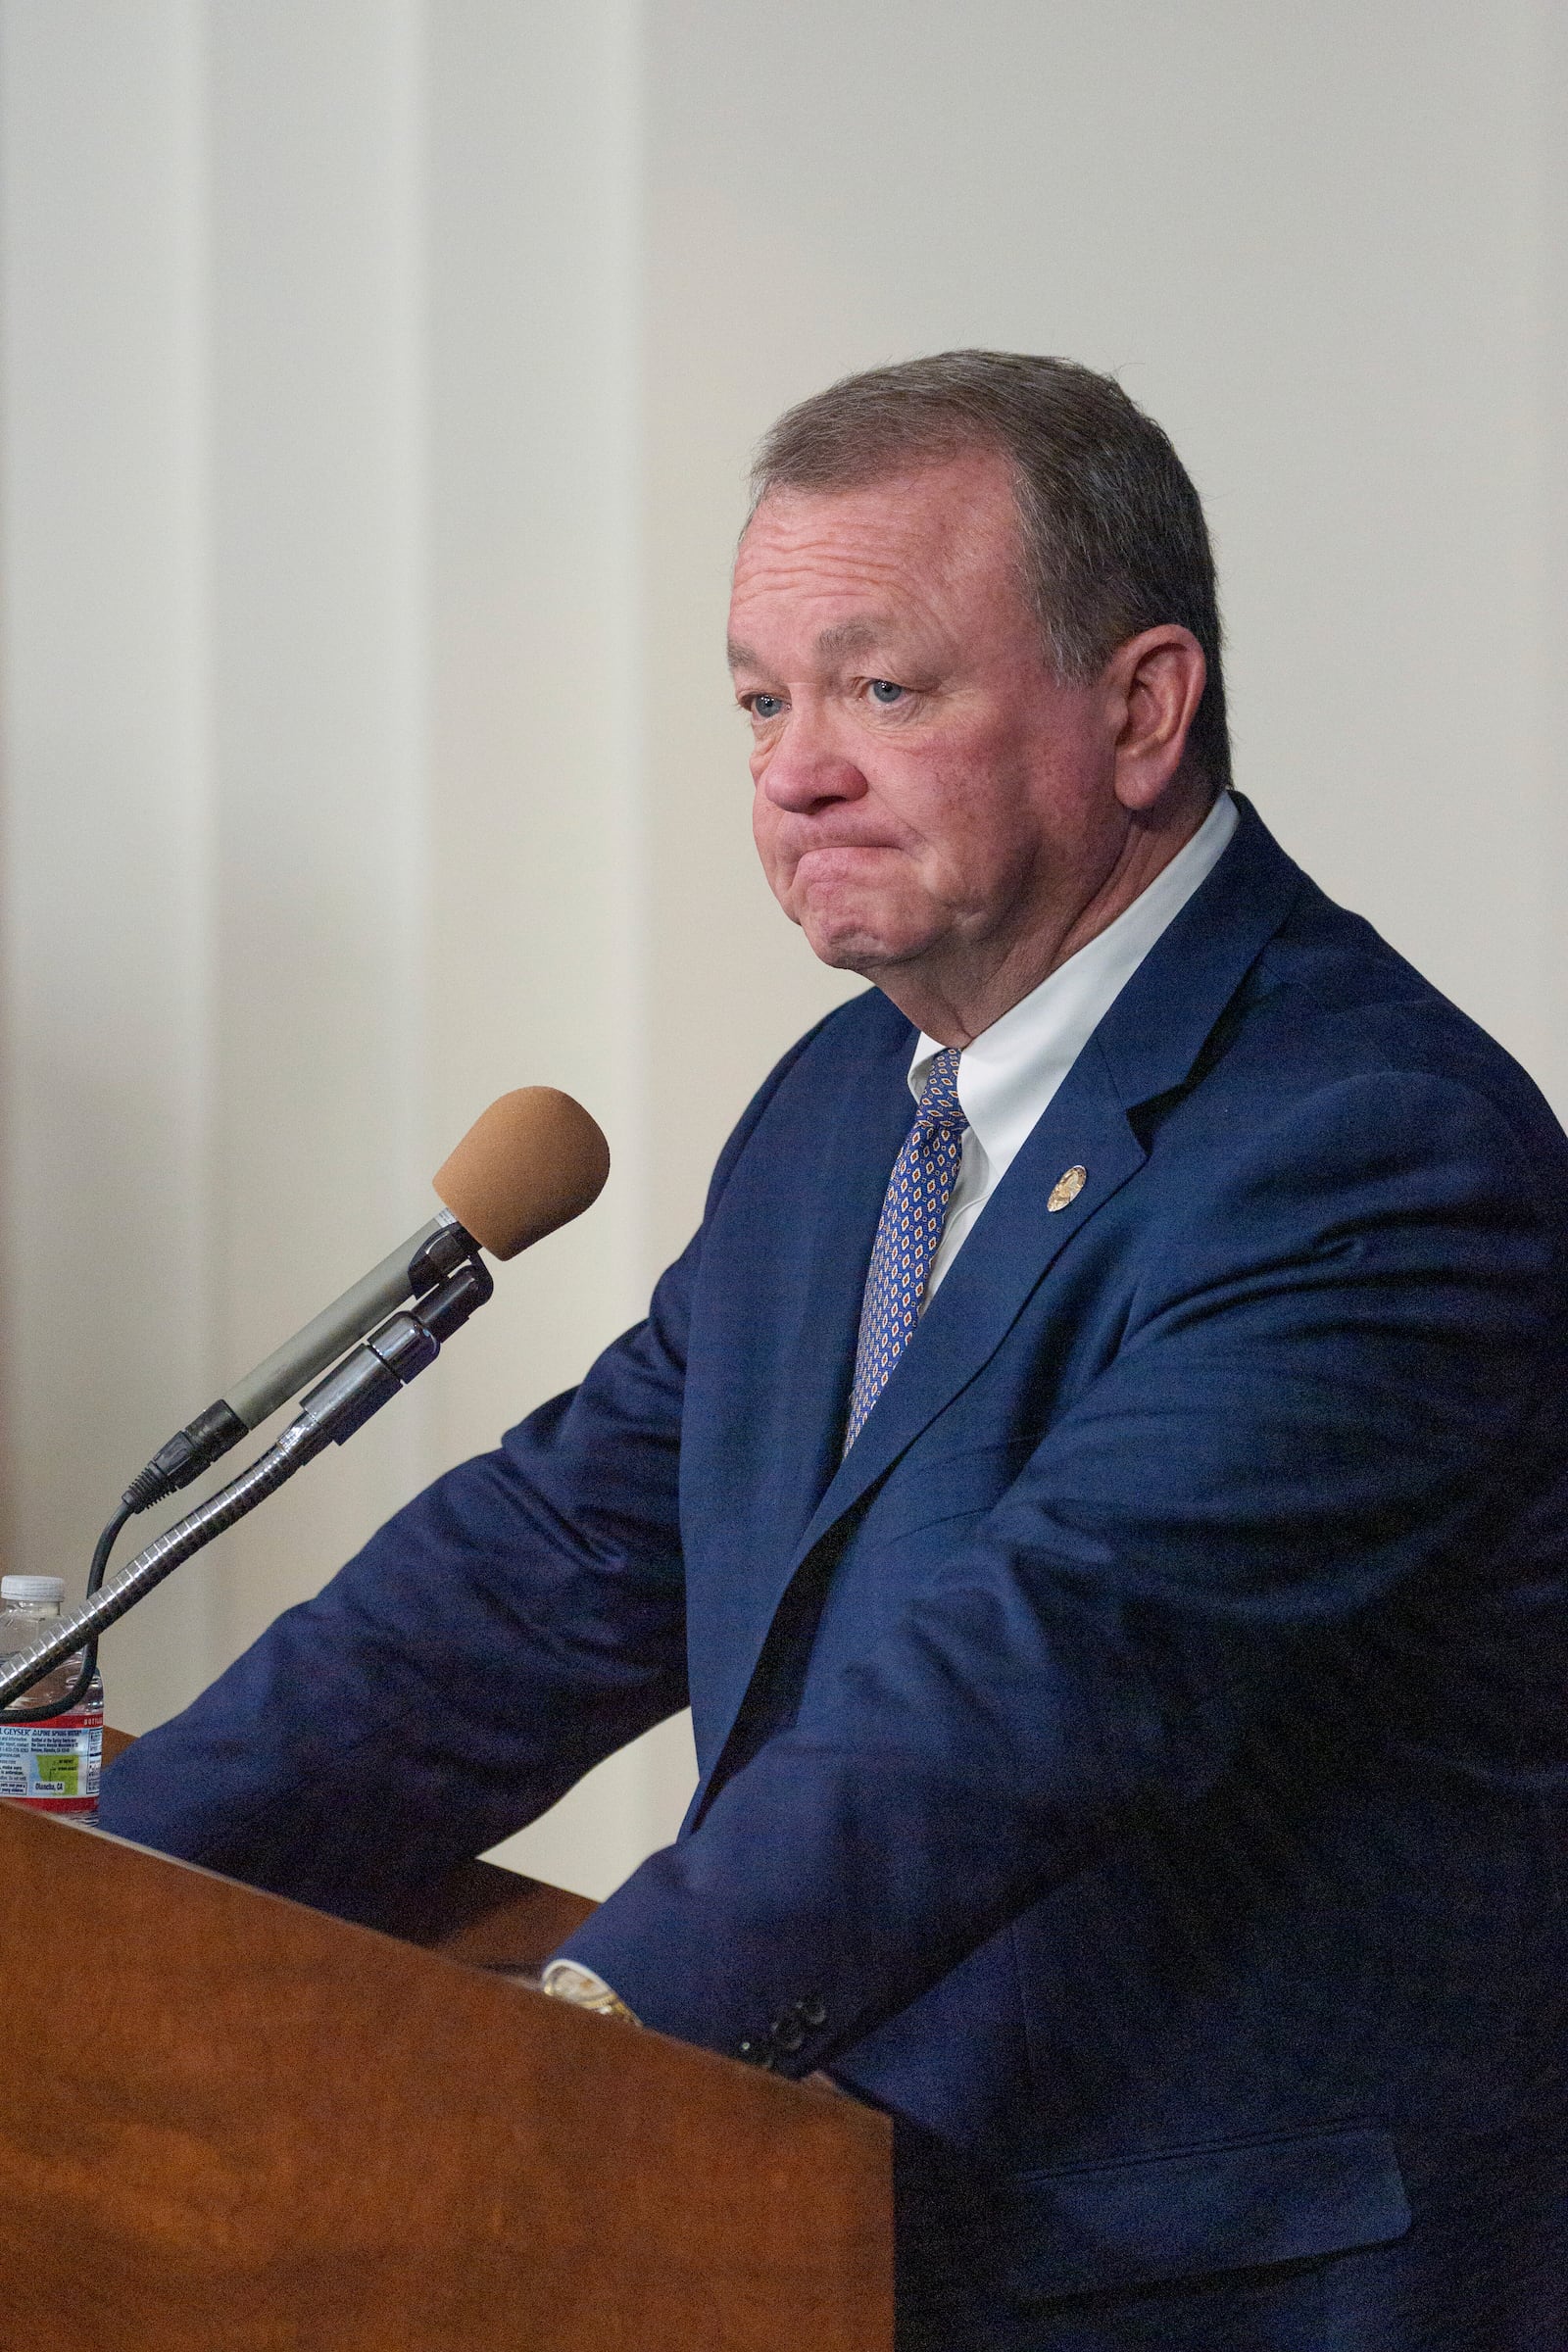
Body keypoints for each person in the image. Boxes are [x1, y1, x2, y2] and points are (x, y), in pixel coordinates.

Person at [98, 353, 1568, 2350]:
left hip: (1232, 2288)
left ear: (1138, 711)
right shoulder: (848, 1109)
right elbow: (544, 1573)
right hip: (885, 2244)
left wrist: (580, 2053)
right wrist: (107, 1898)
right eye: (760, 701)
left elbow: (1044, 1673)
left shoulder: (1360, 1144)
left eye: (880, 690)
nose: (792, 770)